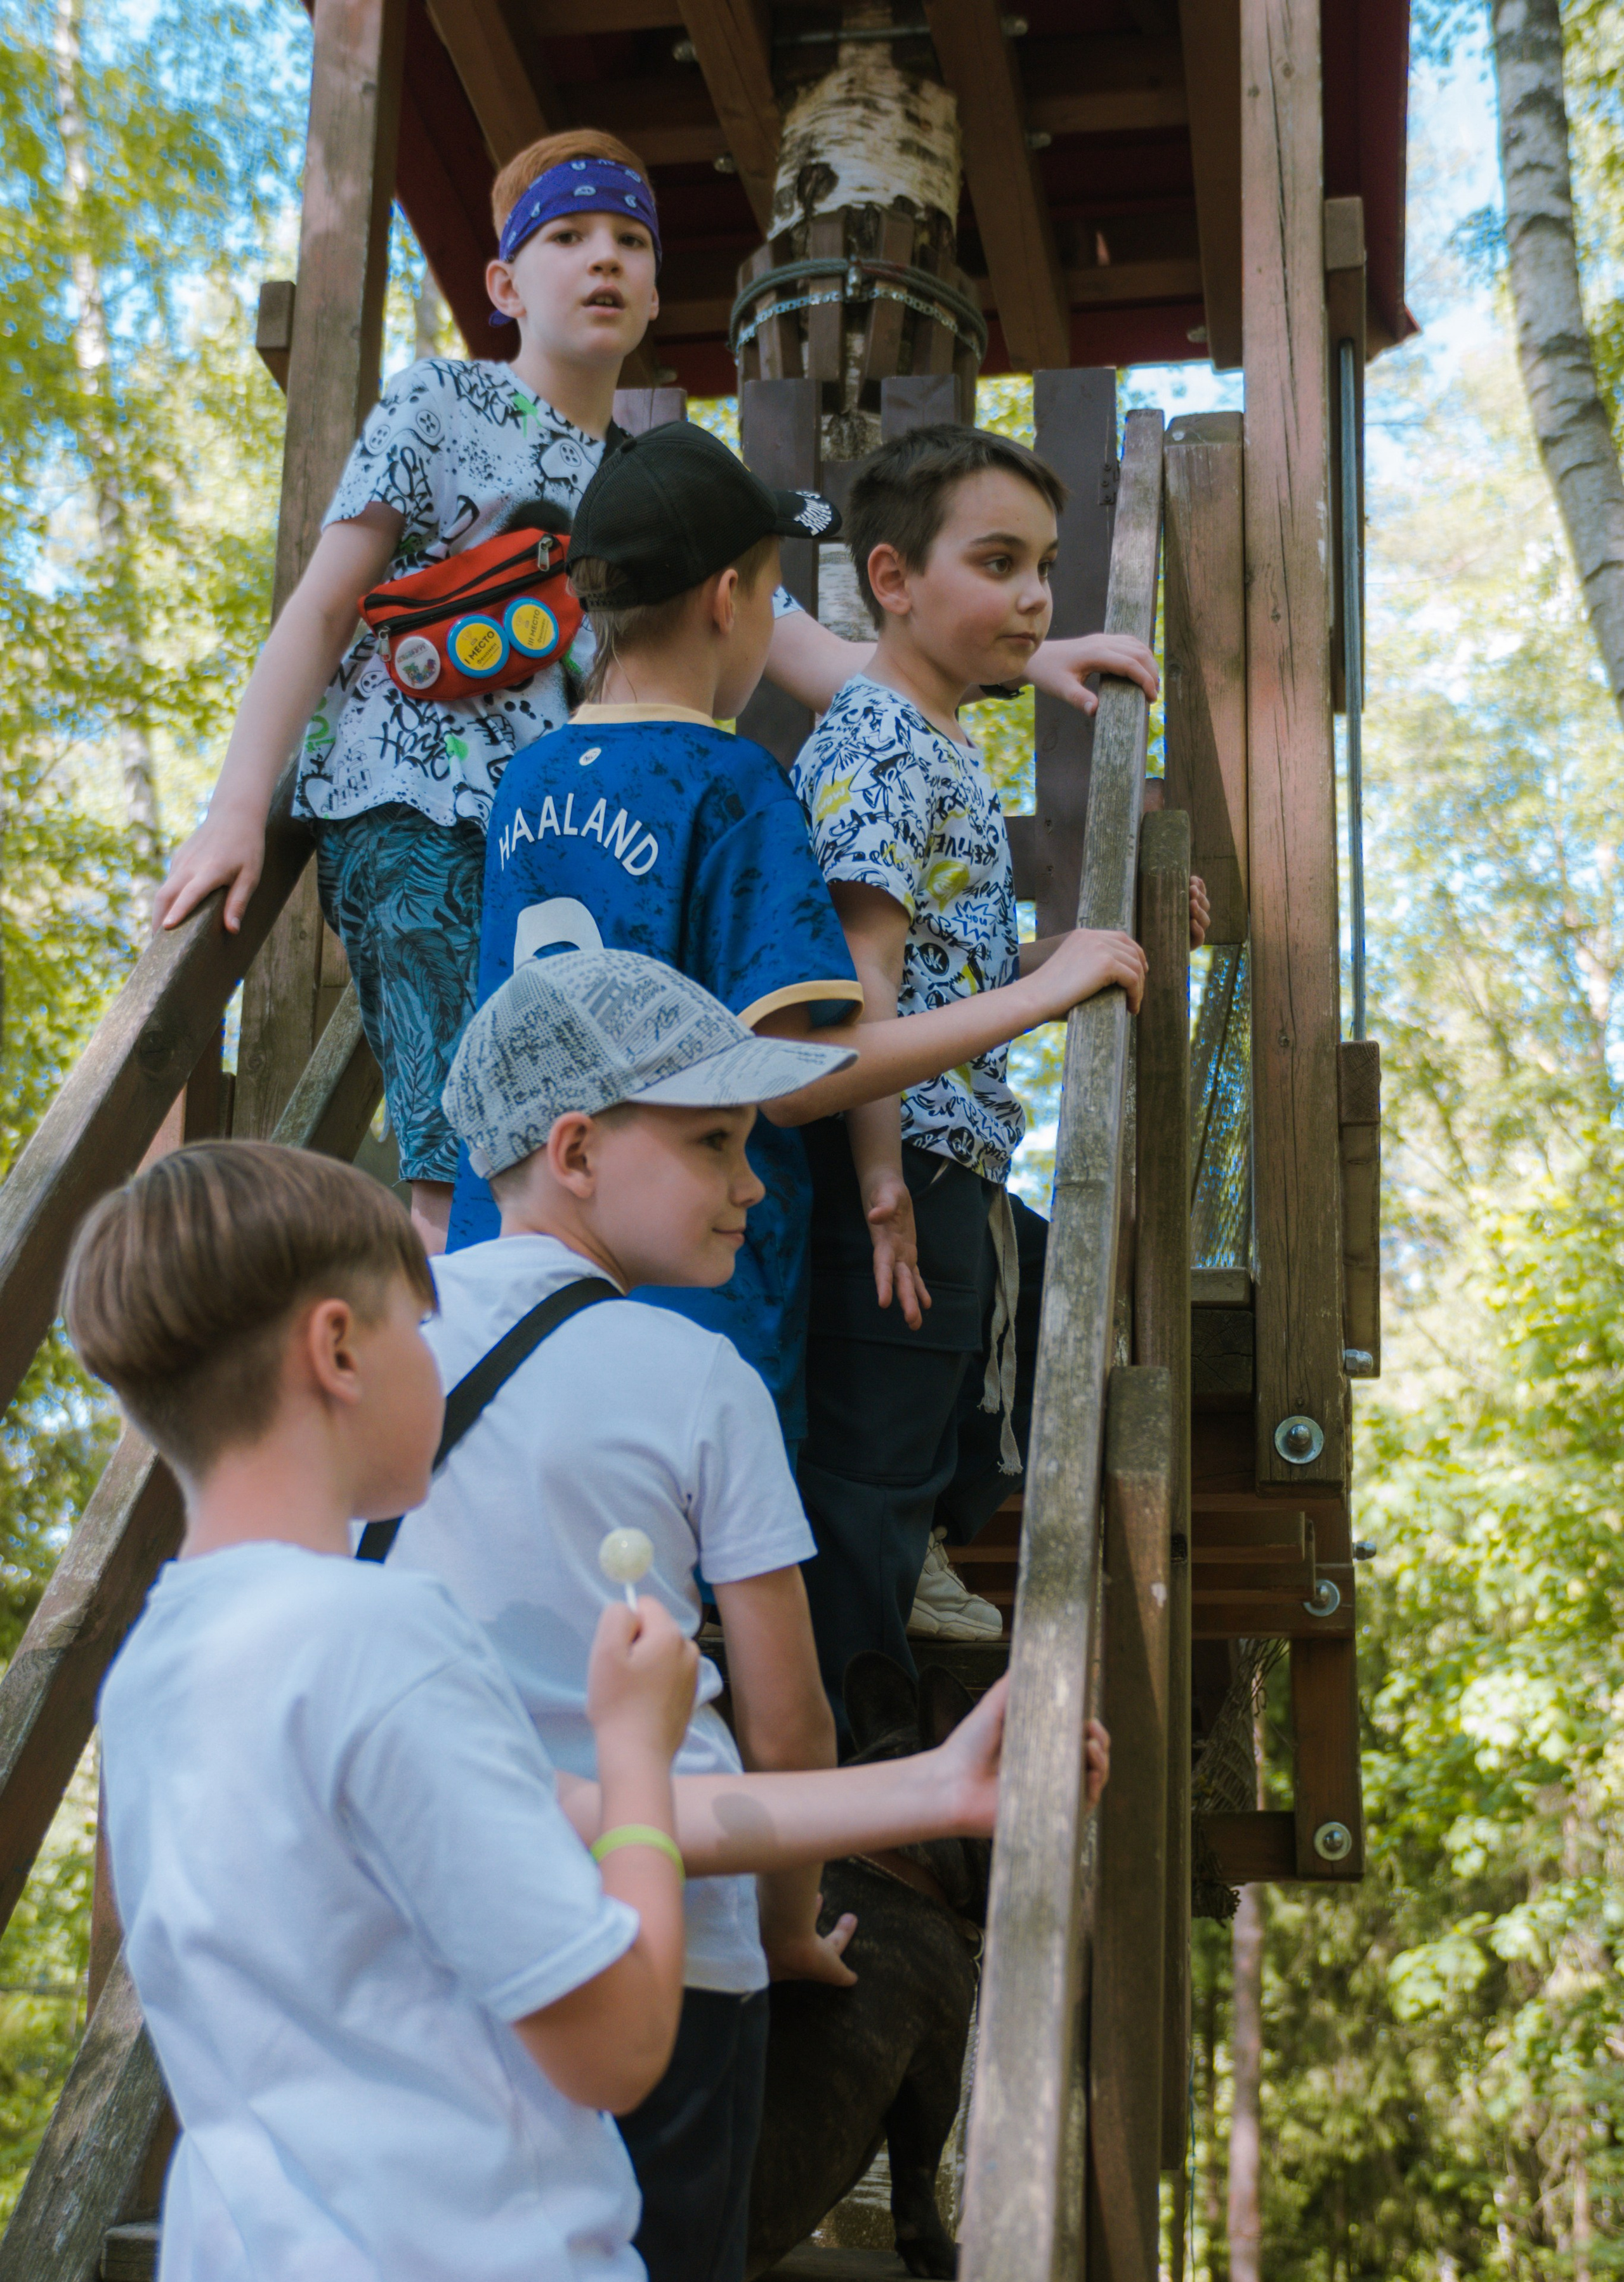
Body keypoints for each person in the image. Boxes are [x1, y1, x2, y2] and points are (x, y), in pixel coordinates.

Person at [67, 1136, 1026, 2282]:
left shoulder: (161, 1671)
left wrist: (931, 1788)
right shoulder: (383, 1648)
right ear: (339, 1352)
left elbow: (586, 1828)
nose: (437, 1355)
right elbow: (620, 2048)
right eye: (422, 1323)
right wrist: (635, 1743)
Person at [151, 133, 1158, 1257]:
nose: (605, 260)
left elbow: (799, 643)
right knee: (461, 1133)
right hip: (415, 812)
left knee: (572, 1113)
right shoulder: (439, 403)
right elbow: (326, 604)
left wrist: (1031, 658)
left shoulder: (644, 467)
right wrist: (241, 804)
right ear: (503, 286)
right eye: (568, 237)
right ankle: (460, 1386)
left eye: (631, 241)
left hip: (556, 834)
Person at [452, 418, 1155, 1467]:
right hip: (693, 1291)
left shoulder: (526, 784)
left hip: (509, 1271)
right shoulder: (735, 790)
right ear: (733, 603)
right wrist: (1042, 993)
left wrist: (1052, 955)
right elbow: (798, 1074)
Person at [401, 946, 860, 2282]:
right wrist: (787, 1931)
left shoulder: (374, 1347)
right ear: (577, 1150)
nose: (753, 1183)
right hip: (663, 1957)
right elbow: (787, 1729)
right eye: (714, 1141)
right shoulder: (697, 1380)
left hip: (429, 1936)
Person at [790, 422, 1210, 1721]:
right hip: (896, 1148)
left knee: (1006, 1347)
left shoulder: (935, 739)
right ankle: (859, 1724)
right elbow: (852, 1005)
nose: (1032, 596)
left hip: (938, 1141)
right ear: (892, 582)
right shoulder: (879, 745)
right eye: (995, 562)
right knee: (876, 1447)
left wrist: (1077, 945)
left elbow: (930, 955)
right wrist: (879, 1187)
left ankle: (914, 1558)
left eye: (1044, 565)